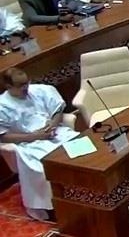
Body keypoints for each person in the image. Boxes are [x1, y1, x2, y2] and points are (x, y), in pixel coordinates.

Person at [0, 68, 79, 222]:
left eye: (26, 83)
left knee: (81, 147)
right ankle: (53, 206)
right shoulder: (2, 106)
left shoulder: (40, 91)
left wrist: (53, 125)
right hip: (27, 143)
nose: (26, 88)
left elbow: (57, 111)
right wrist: (35, 136)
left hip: (55, 134)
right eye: (21, 86)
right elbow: (4, 136)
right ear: (9, 87)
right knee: (44, 168)